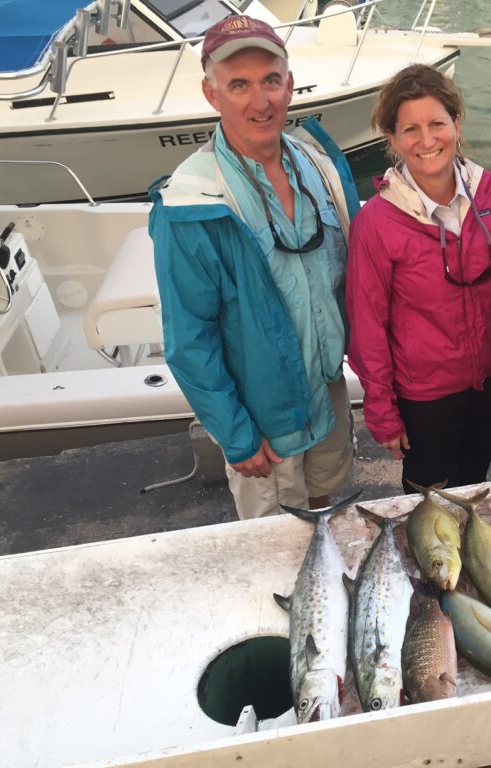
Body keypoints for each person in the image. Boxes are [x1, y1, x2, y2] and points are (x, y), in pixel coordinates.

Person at [149, 15, 361, 519]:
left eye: (270, 80)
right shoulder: (190, 201)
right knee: (275, 543)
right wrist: (236, 435)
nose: (260, 101)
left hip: (329, 391)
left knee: (324, 510)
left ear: (289, 84)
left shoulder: (319, 162)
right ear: (211, 93)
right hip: (263, 414)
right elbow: (189, 337)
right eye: (239, 85)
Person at [346, 64, 491, 494]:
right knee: (431, 504)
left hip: (485, 384)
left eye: (437, 123)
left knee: (474, 488)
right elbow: (367, 325)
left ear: (456, 123)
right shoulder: (376, 224)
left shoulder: (488, 189)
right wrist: (382, 412)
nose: (426, 140)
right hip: (423, 398)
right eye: (410, 129)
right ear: (392, 138)